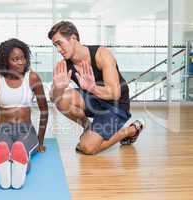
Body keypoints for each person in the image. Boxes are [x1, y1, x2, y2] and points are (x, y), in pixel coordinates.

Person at [48, 21, 143, 155]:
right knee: (61, 98)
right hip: (94, 101)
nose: (58, 49)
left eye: (59, 43)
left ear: (73, 38)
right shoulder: (65, 65)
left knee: (87, 148)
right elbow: (53, 98)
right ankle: (87, 126)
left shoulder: (101, 54)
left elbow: (115, 94)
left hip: (116, 106)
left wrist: (91, 87)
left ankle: (131, 130)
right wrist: (58, 88)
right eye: (55, 45)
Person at [0, 38, 48, 189]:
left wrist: (40, 140)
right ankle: (5, 176)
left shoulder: (32, 78)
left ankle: (18, 171)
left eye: (23, 58)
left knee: (21, 148)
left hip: (25, 129)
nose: (21, 62)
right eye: (15, 59)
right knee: (3, 149)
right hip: (3, 129)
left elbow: (44, 110)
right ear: (5, 62)